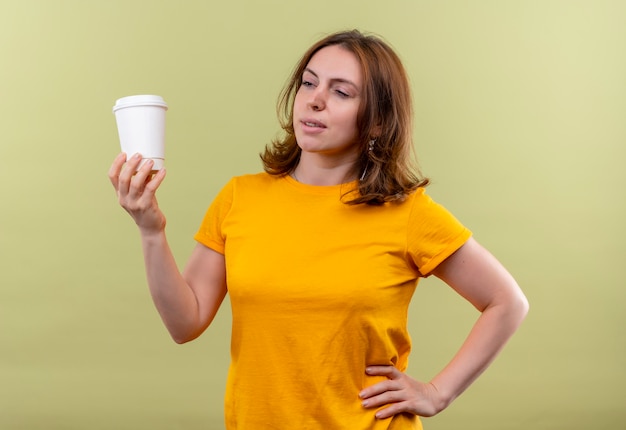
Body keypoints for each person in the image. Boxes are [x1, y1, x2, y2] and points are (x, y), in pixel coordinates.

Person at [108, 29, 528, 430]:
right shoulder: (240, 197)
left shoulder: (408, 214)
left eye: (341, 92)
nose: (315, 101)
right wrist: (151, 230)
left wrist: (437, 392)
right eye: (309, 84)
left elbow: (507, 302)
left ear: (378, 122)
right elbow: (186, 322)